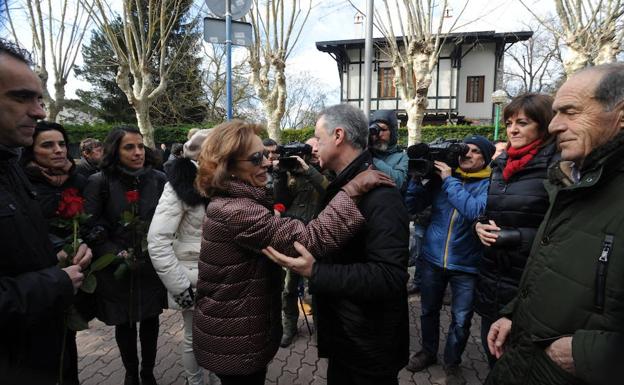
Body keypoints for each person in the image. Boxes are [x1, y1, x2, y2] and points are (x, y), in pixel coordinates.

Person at [192, 119, 393, 385]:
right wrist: (352, 190)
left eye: (265, 154)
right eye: (256, 158)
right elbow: (310, 239)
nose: (267, 162)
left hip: (233, 329)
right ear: (227, 168)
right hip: (235, 336)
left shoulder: (234, 201)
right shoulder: (239, 211)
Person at [485, 64, 624, 385]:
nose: (556, 125)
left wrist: (587, 354)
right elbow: (547, 263)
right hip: (525, 355)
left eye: (571, 112)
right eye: (555, 113)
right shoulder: (567, 179)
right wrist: (514, 314)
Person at [262, 103, 411, 385]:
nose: (314, 146)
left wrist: (317, 272)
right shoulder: (346, 183)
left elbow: (390, 276)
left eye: (318, 137)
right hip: (349, 339)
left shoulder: (380, 194)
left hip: (368, 348)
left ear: (338, 135)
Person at [0, 39, 91, 385]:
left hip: (45, 352)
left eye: (38, 98)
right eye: (21, 97)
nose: (39, 112)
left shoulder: (10, 168)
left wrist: (54, 248)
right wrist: (54, 281)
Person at [473, 93, 556, 369]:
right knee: (492, 357)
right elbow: (491, 211)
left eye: (523, 123)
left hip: (527, 285)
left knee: (517, 367)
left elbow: (563, 231)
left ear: (543, 125)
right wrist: (479, 225)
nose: (513, 130)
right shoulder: (500, 166)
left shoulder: (557, 168)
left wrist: (517, 237)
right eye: (509, 123)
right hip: (492, 277)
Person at [404, 134, 494, 385]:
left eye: (476, 151)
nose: (467, 154)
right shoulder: (440, 180)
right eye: (465, 149)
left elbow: (475, 210)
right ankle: (428, 352)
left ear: (486, 158)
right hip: (432, 259)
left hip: (466, 265)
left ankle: (452, 362)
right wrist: (418, 178)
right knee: (428, 310)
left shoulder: (489, 183)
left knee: (462, 319)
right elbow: (410, 205)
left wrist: (448, 180)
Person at [83, 126, 168, 385]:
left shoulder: (158, 179)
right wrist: (116, 254)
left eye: (140, 146)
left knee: (151, 320)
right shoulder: (99, 182)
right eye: (129, 147)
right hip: (118, 267)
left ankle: (148, 372)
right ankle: (131, 374)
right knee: (126, 324)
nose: (137, 152)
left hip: (150, 265)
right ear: (114, 151)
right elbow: (90, 225)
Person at [19, 121, 90, 384]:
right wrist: (55, 248)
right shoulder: (22, 183)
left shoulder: (79, 179)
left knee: (67, 344)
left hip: (72, 274)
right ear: (31, 150)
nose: (58, 150)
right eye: (48, 145)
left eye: (61, 143)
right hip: (35, 275)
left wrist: (85, 242)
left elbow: (93, 221)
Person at [147, 129, 215, 385]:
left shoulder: (223, 181)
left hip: (222, 275)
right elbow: (157, 240)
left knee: (219, 336)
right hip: (192, 276)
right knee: (193, 336)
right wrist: (180, 286)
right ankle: (195, 381)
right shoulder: (179, 186)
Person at [272, 136, 331, 348]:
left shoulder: (327, 171)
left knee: (316, 287)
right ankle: (289, 326)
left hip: (316, 238)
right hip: (292, 239)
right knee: (288, 288)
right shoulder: (290, 171)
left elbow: (330, 191)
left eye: (317, 148)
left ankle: (320, 327)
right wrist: (280, 174)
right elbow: (278, 199)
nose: (314, 152)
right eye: (310, 149)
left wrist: (308, 170)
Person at [369, 109, 409, 189]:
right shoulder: (363, 151)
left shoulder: (402, 156)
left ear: (392, 132)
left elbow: (398, 181)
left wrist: (372, 160)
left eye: (383, 129)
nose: (379, 134)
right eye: (374, 130)